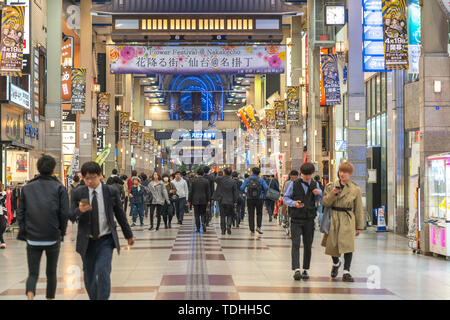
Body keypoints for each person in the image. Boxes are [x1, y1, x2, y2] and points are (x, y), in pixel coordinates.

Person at [70, 161, 134, 300]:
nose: (90, 181)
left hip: (105, 240)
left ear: (100, 175)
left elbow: (120, 214)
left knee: (103, 271)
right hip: (87, 241)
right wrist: (78, 211)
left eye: (93, 177)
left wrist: (128, 234)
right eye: (86, 178)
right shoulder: (78, 193)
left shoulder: (110, 191)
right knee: (89, 275)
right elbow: (70, 215)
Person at [17, 155, 69, 300]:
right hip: (52, 236)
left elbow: (20, 212)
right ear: (53, 169)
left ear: (38, 169)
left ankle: (30, 294)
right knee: (51, 272)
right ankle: (50, 298)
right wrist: (61, 231)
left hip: (32, 237)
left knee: (33, 273)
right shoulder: (60, 188)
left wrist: (25, 230)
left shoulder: (27, 188)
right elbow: (64, 213)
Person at [322, 162, 365, 282]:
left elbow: (358, 208)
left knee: (348, 246)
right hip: (334, 217)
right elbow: (325, 203)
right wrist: (333, 194)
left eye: (345, 172)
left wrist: (359, 226)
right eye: (341, 171)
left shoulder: (355, 189)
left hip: (348, 219)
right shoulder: (331, 186)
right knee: (332, 245)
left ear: (350, 174)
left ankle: (347, 271)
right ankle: (336, 263)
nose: (342, 174)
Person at [284, 163, 322, 281]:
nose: (307, 177)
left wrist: (318, 194)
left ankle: (305, 269)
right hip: (296, 218)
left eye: (309, 175)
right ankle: (296, 269)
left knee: (308, 244)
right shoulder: (293, 184)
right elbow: (286, 198)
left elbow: (321, 198)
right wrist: (294, 203)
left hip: (309, 218)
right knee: (295, 243)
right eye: (305, 174)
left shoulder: (315, 185)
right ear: (301, 173)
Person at [240, 167, 269, 235]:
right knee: (259, 213)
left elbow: (241, 188)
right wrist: (262, 193)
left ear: (252, 172)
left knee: (251, 214)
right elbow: (266, 188)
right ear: (259, 173)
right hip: (259, 198)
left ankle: (252, 230)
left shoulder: (247, 179)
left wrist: (245, 193)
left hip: (250, 199)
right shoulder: (261, 180)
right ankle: (258, 227)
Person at [215, 168, 239, 235]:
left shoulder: (220, 179)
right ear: (231, 173)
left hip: (221, 200)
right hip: (230, 201)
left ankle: (223, 230)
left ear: (224, 173)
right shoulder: (233, 181)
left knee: (222, 215)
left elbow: (215, 178)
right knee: (229, 214)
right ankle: (228, 225)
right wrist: (235, 201)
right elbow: (235, 192)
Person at [188, 168, 210, 233]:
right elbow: (208, 192)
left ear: (197, 174)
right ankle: (203, 223)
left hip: (195, 200)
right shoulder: (206, 181)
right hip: (204, 200)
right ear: (203, 174)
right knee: (203, 213)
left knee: (196, 214)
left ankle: (198, 228)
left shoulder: (194, 181)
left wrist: (189, 200)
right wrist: (208, 200)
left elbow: (191, 191)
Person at [0, 182, 6, 249]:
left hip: (2, 212)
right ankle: (2, 242)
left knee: (3, 226)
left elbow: (4, 201)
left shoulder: (3, 193)